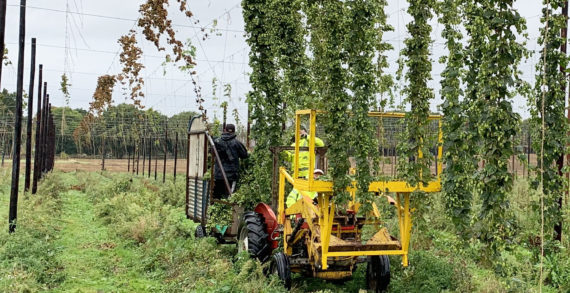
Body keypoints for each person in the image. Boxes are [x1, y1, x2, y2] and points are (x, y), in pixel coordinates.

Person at [213, 124, 248, 199]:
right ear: (234, 131)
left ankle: (215, 209)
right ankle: (227, 210)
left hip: (218, 174)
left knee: (217, 197)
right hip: (231, 175)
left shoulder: (217, 141)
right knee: (230, 197)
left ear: (224, 130)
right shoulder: (236, 143)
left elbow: (211, 152)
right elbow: (245, 155)